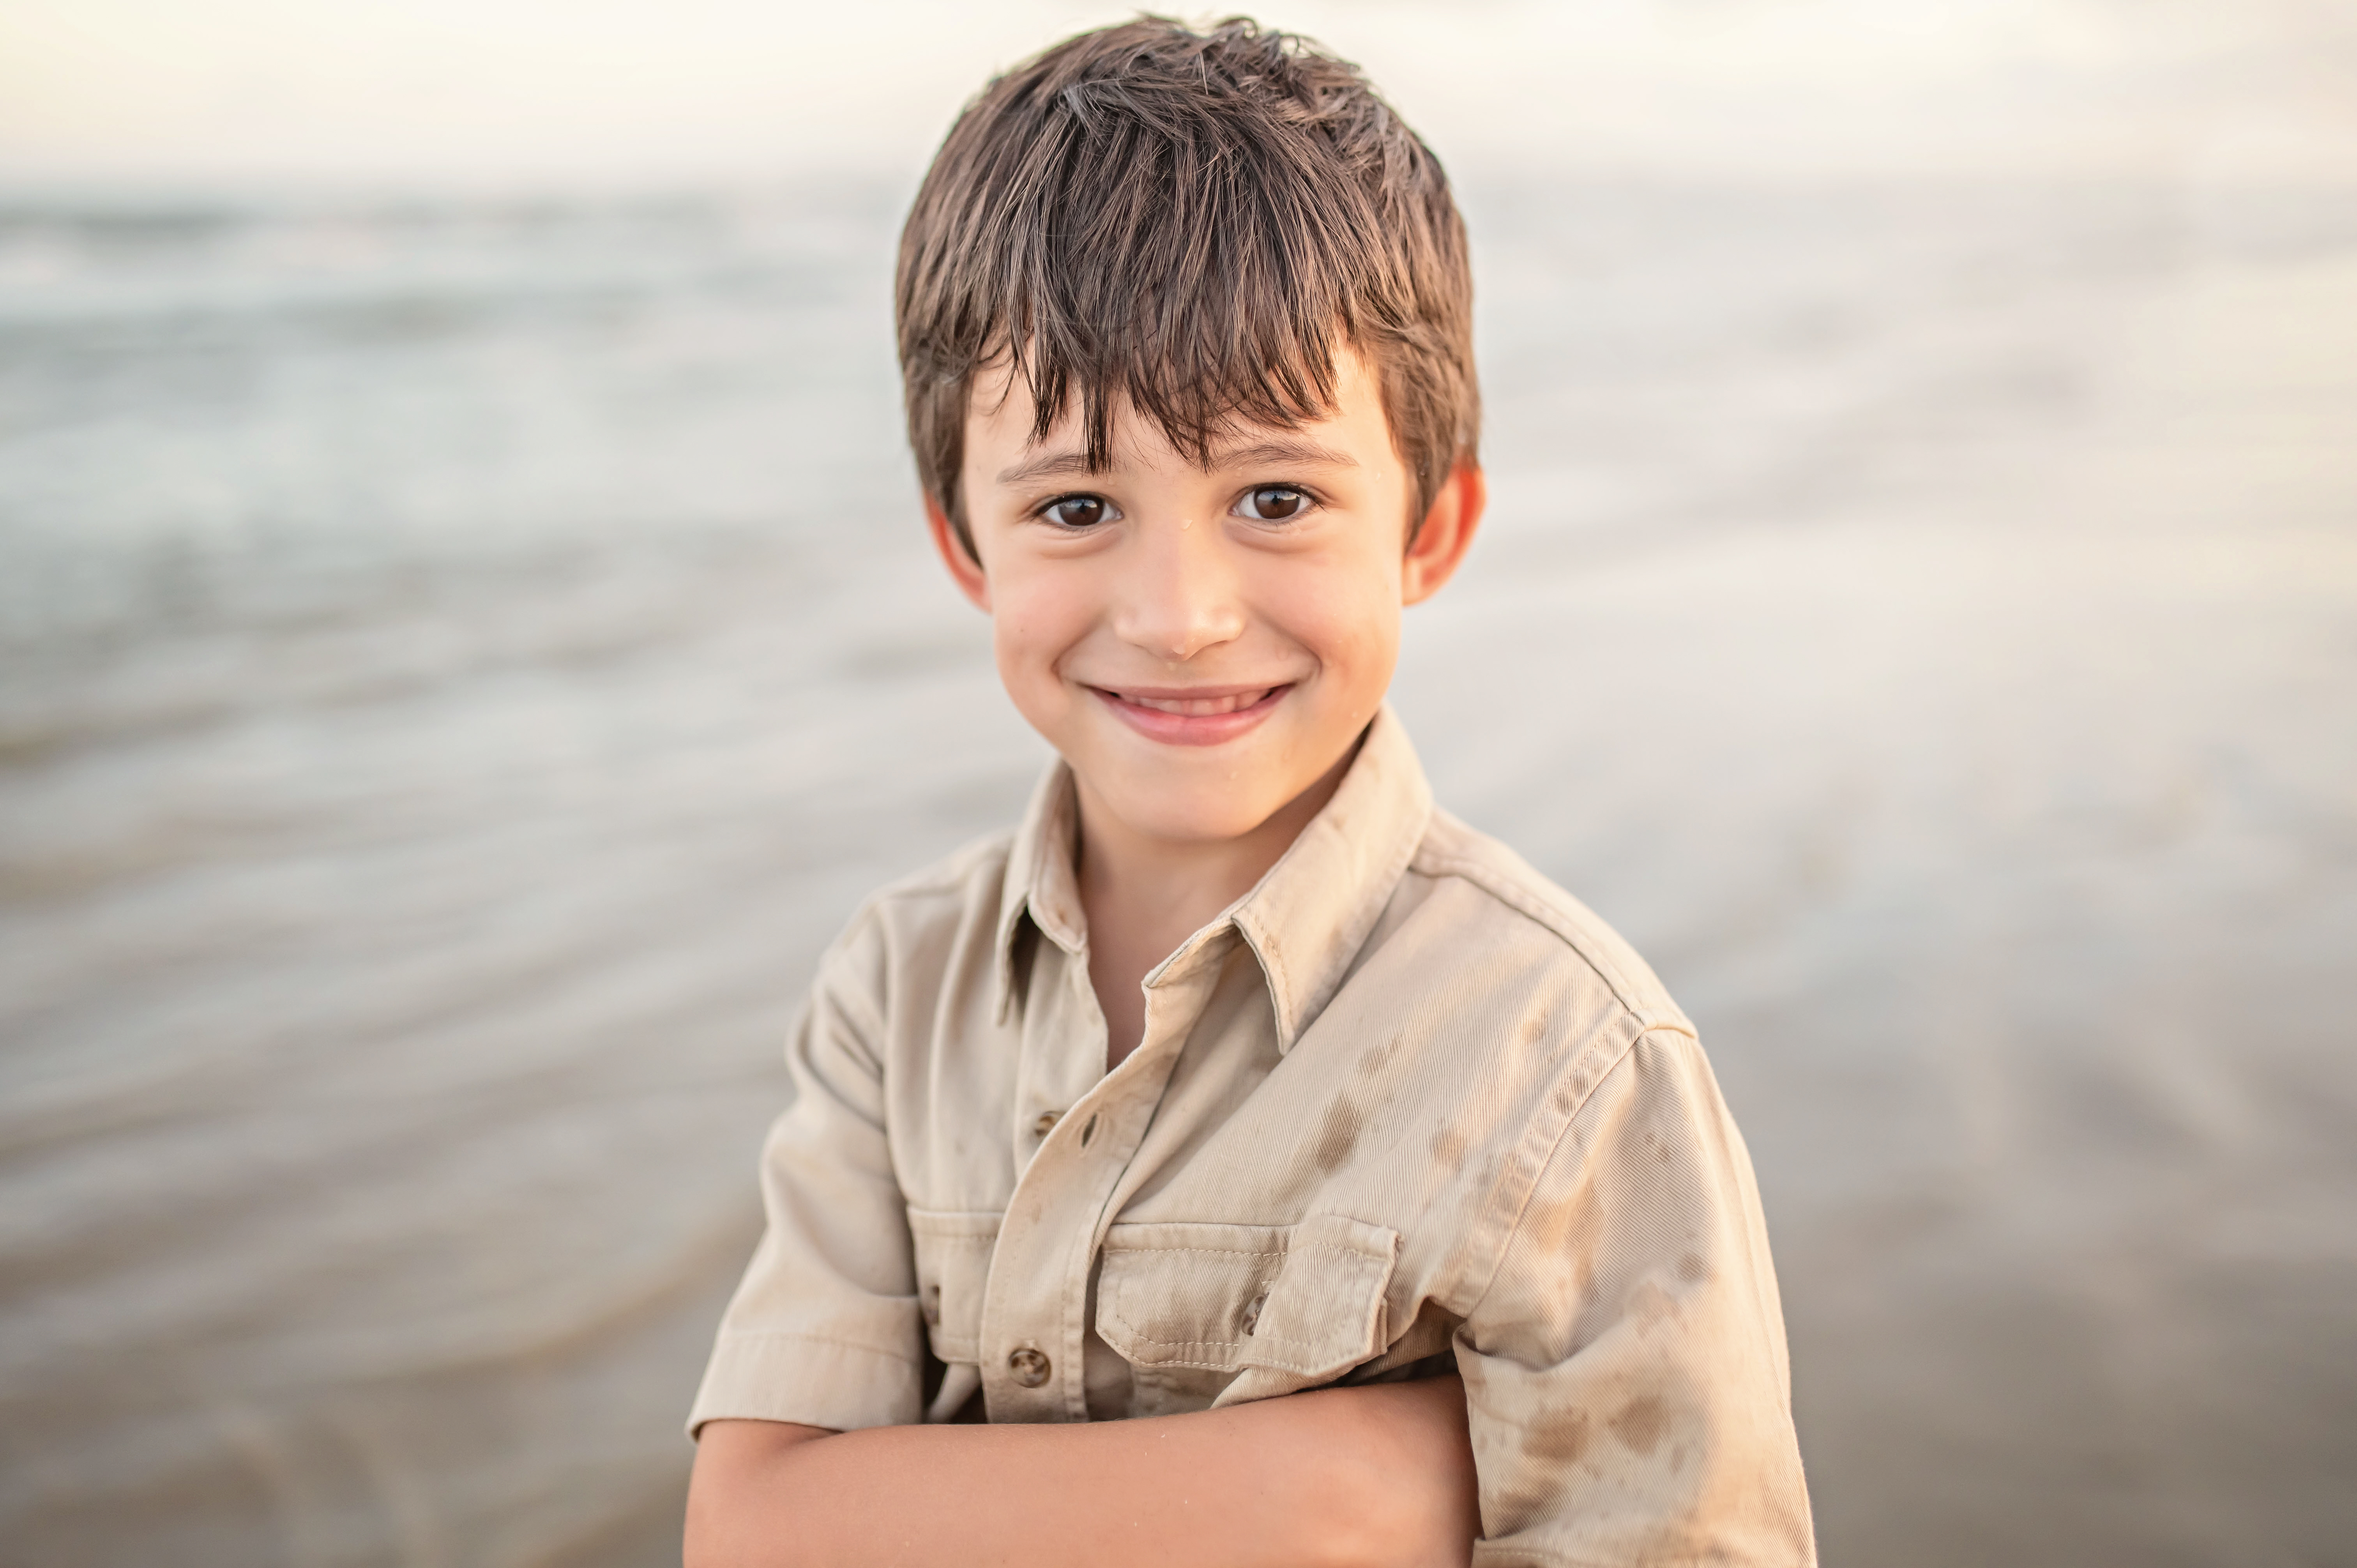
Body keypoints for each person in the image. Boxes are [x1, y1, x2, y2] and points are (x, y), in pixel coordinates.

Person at [682, 17, 1813, 1567]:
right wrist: (1332, 1497)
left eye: (1275, 497)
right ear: (965, 545)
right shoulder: (902, 993)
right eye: (1078, 504)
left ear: (1431, 529)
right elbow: (754, 1534)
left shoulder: (1567, 1061)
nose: (1181, 612)